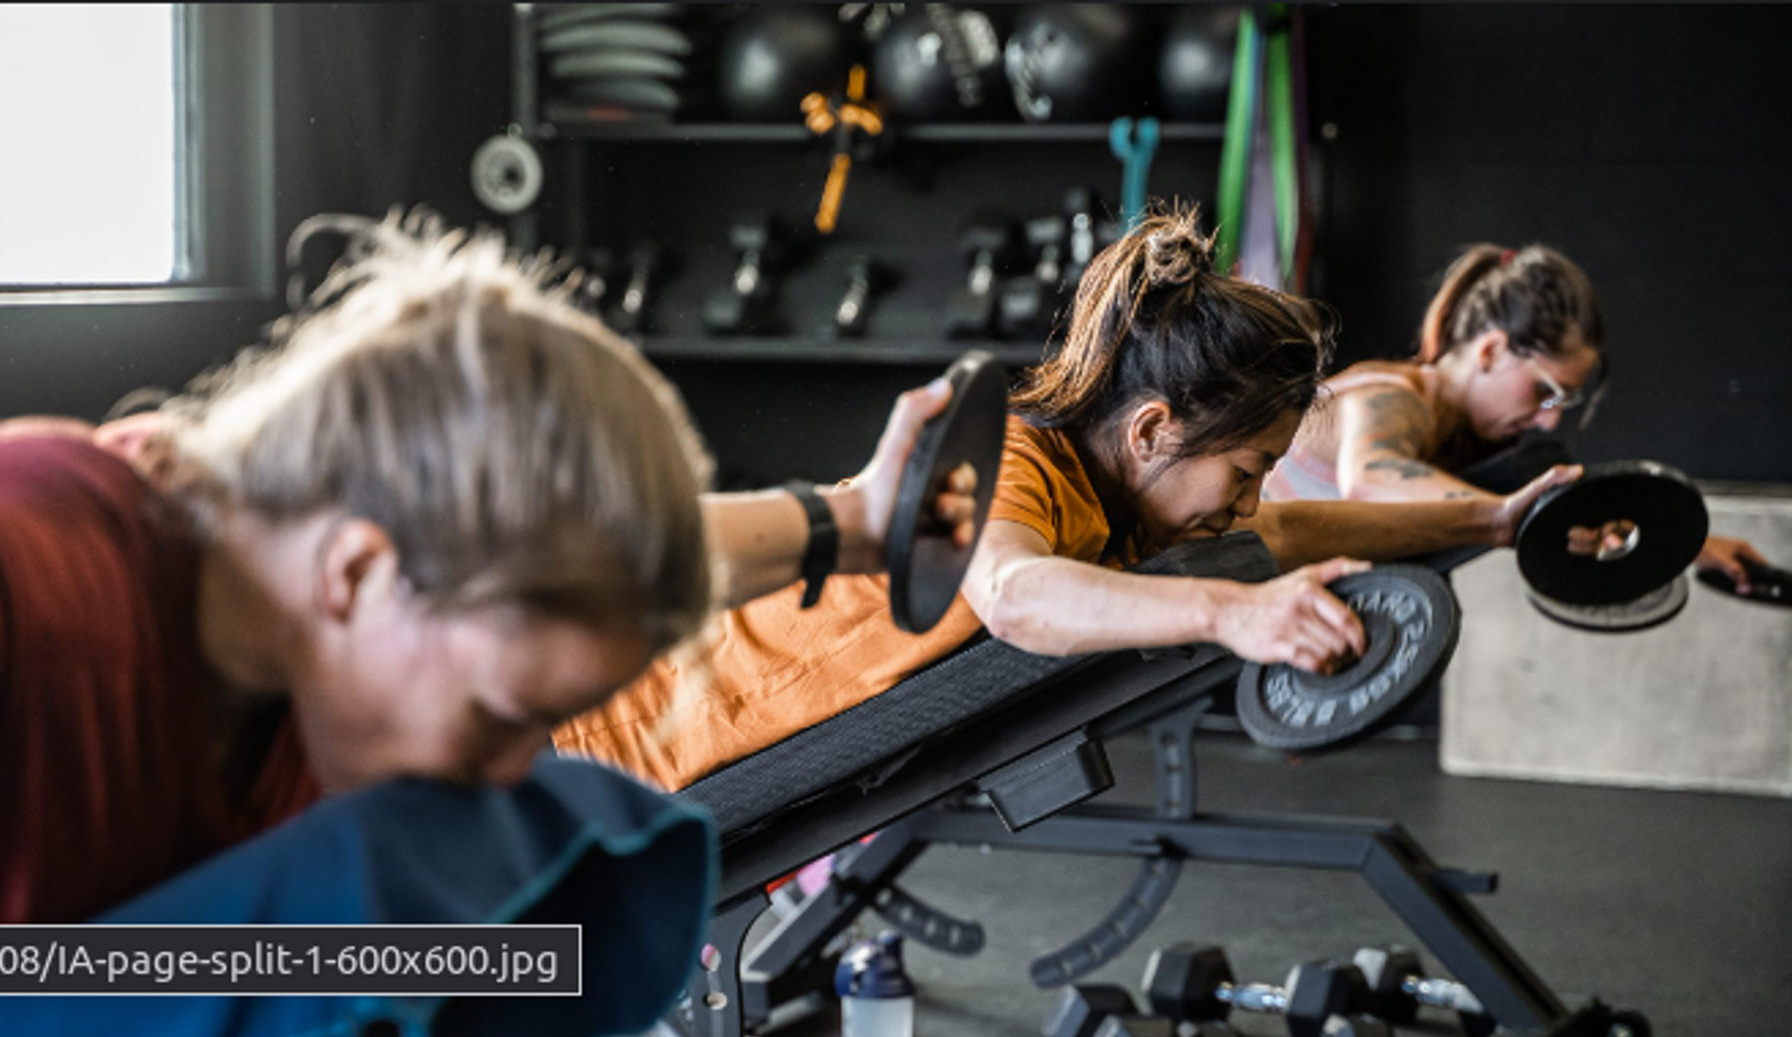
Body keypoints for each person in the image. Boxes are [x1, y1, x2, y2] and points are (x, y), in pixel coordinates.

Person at [0, 211, 977, 1023]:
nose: (510, 768)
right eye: (501, 715)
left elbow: (653, 561)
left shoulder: (326, 606)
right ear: (357, 574)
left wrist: (854, 522)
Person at [554, 206, 1578, 793]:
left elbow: (1294, 524)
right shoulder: (1014, 456)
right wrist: (1236, 611)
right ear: (1151, 431)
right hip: (584, 740)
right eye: (1245, 467)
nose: (1249, 497)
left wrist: (1491, 520)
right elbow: (1011, 593)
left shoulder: (1119, 498)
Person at [1261, 242, 1766, 584]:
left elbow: (1552, 507)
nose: (1547, 418)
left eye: (1562, 401)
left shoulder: (1454, 437)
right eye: (1545, 391)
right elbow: (1372, 481)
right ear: (1491, 352)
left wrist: (1683, 544)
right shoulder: (1395, 399)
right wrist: (1517, 518)